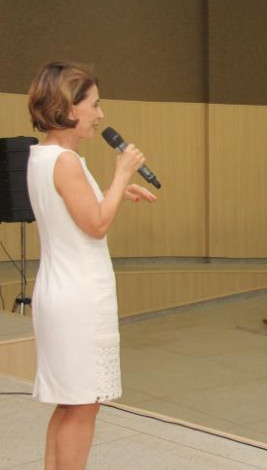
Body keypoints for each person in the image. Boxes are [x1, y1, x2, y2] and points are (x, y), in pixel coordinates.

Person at [26, 61, 157, 470]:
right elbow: (96, 225)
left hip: (62, 288)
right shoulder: (65, 161)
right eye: (95, 105)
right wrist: (121, 174)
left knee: (72, 403)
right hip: (77, 295)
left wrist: (117, 191)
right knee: (83, 405)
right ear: (69, 107)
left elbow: (75, 215)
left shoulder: (46, 156)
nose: (101, 115)